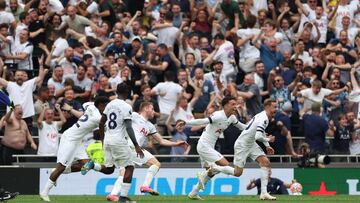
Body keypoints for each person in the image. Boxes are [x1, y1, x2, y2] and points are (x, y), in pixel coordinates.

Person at [88, 102, 188, 201]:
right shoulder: (135, 116)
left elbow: (161, 140)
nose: (154, 112)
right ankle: (124, 192)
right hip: (126, 145)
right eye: (152, 109)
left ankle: (118, 192)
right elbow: (120, 119)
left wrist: (176, 143)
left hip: (135, 149)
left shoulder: (150, 126)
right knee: (128, 170)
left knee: (153, 164)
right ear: (146, 108)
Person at [39, 96, 110, 202]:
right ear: (100, 105)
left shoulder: (90, 106)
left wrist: (71, 109)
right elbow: (104, 126)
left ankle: (56, 171)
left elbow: (86, 104)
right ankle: (44, 192)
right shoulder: (98, 118)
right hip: (70, 139)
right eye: (106, 106)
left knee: (85, 165)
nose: (107, 109)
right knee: (61, 167)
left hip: (78, 140)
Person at [85, 83, 144, 203]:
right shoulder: (126, 106)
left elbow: (101, 123)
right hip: (119, 140)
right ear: (127, 92)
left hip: (107, 140)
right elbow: (128, 127)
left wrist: (102, 139)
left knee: (109, 169)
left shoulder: (110, 104)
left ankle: (93, 165)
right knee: (130, 167)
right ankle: (123, 197)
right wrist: (137, 145)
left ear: (117, 91)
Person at [187, 96, 247, 200]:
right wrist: (186, 123)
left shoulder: (232, 118)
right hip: (204, 146)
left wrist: (257, 129)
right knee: (225, 164)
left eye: (235, 104)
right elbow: (203, 121)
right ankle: (204, 173)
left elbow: (242, 127)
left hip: (209, 146)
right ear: (225, 105)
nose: (235, 106)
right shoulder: (218, 115)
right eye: (233, 104)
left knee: (211, 173)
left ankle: (193, 193)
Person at [233, 98, 277, 200]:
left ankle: (264, 193)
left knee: (265, 162)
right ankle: (215, 168)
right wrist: (268, 140)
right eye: (274, 107)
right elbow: (258, 136)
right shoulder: (264, 118)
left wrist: (267, 146)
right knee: (237, 173)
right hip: (242, 144)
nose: (276, 109)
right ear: (267, 107)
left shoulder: (262, 115)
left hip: (251, 143)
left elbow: (259, 133)